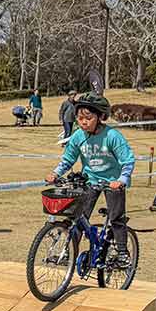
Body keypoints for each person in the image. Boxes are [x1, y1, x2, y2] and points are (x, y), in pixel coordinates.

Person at [45, 93, 136, 269]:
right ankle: (69, 252)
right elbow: (68, 160)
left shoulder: (112, 136)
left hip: (113, 182)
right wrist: (55, 173)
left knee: (116, 218)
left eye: (88, 118)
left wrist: (122, 180)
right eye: (80, 118)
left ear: (100, 117)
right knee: (79, 218)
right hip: (90, 180)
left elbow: (128, 160)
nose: (83, 122)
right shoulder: (78, 136)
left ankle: (123, 253)